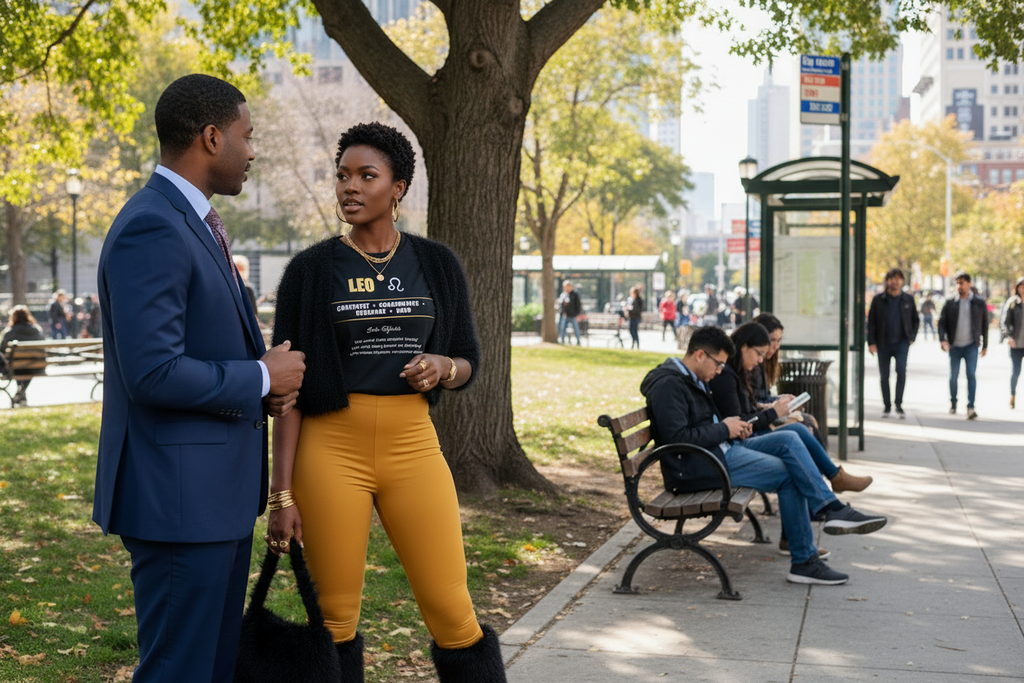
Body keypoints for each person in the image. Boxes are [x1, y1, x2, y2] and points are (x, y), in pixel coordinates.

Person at [267, 122, 504, 683]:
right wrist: (281, 493)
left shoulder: (436, 263)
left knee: (452, 610)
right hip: (330, 448)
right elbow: (287, 390)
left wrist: (444, 367)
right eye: (342, 175)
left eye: (366, 175)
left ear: (397, 187)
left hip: (413, 446)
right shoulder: (310, 271)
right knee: (334, 617)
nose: (349, 186)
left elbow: (467, 358)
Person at [92, 74, 307, 683]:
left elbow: (200, 345)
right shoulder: (153, 225)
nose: (253, 151)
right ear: (212, 138)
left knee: (210, 670)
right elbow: (153, 372)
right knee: (178, 671)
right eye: (247, 135)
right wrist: (259, 377)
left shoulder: (191, 220)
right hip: (179, 504)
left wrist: (264, 386)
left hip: (213, 501)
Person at [640, 326, 887, 586]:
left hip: (718, 452)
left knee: (790, 437)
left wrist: (733, 427)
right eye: (719, 364)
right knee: (790, 474)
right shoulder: (670, 385)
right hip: (699, 467)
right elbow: (677, 438)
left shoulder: (691, 378)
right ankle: (807, 556)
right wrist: (724, 428)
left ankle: (830, 510)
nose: (721, 370)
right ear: (700, 355)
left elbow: (700, 425)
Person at [710, 321, 872, 494]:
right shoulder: (727, 375)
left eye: (778, 341)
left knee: (801, 429)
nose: (761, 359)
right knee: (796, 437)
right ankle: (827, 488)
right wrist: (773, 412)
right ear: (744, 347)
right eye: (759, 353)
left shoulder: (740, 371)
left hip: (749, 435)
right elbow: (740, 422)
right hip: (741, 443)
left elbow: (749, 407)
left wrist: (773, 405)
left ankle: (831, 481)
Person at [866, 268, 920, 418]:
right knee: (884, 375)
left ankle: (898, 405)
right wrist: (871, 342)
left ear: (902, 281)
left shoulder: (908, 299)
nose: (894, 282)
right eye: (891, 279)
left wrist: (912, 337)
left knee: (901, 372)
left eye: (897, 278)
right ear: (887, 281)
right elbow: (871, 323)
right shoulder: (878, 300)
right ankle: (887, 406)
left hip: (902, 343)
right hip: (883, 343)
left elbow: (915, 320)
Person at [938, 271, 989, 419]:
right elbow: (941, 323)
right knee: (953, 376)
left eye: (962, 283)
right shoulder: (950, 302)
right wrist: (943, 340)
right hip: (954, 345)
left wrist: (985, 345)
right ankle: (953, 402)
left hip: (971, 345)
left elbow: (985, 324)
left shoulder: (978, 302)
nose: (959, 286)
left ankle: (971, 406)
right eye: (957, 283)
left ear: (969, 284)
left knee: (971, 375)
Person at [0, 305, 45, 406]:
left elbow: (2, 349)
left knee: (17, 365)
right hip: (35, 367)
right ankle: (22, 390)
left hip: (14, 368)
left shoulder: (10, 332)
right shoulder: (36, 330)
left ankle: (20, 390)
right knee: (27, 365)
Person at [1001, 275, 1024, 409]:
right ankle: (1012, 394)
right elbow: (1004, 322)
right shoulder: (1012, 303)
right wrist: (1009, 337)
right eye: (1021, 286)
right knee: (1016, 372)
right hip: (1016, 345)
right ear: (1018, 288)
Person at [557, 280, 582, 345]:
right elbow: (560, 305)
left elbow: (578, 305)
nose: (566, 288)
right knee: (563, 328)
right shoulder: (563, 295)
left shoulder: (575, 294)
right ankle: (562, 340)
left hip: (573, 315)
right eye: (565, 287)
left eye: (568, 286)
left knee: (575, 328)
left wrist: (578, 314)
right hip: (565, 315)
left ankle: (578, 341)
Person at [624, 285, 644, 349]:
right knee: (631, 330)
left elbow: (638, 309)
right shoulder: (630, 299)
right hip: (631, 317)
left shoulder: (639, 300)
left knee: (635, 330)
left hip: (636, 317)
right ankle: (633, 342)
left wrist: (630, 309)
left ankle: (637, 344)